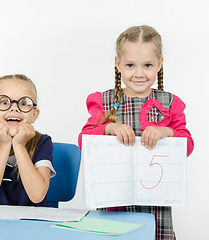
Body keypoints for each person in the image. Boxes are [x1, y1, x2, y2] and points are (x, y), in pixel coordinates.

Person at [78, 25, 194, 239]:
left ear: (159, 64)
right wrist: (109, 128)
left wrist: (166, 132)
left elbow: (187, 145)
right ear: (118, 64)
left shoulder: (170, 104)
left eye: (148, 65)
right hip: (113, 202)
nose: (139, 73)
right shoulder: (104, 101)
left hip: (155, 205)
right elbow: (84, 139)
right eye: (130, 65)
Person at [0, 74, 55, 206]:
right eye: (4, 102)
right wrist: (4, 146)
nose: (14, 108)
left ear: (34, 114)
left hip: (31, 223)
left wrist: (19, 146)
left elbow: (37, 195)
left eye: (24, 103)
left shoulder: (42, 142)